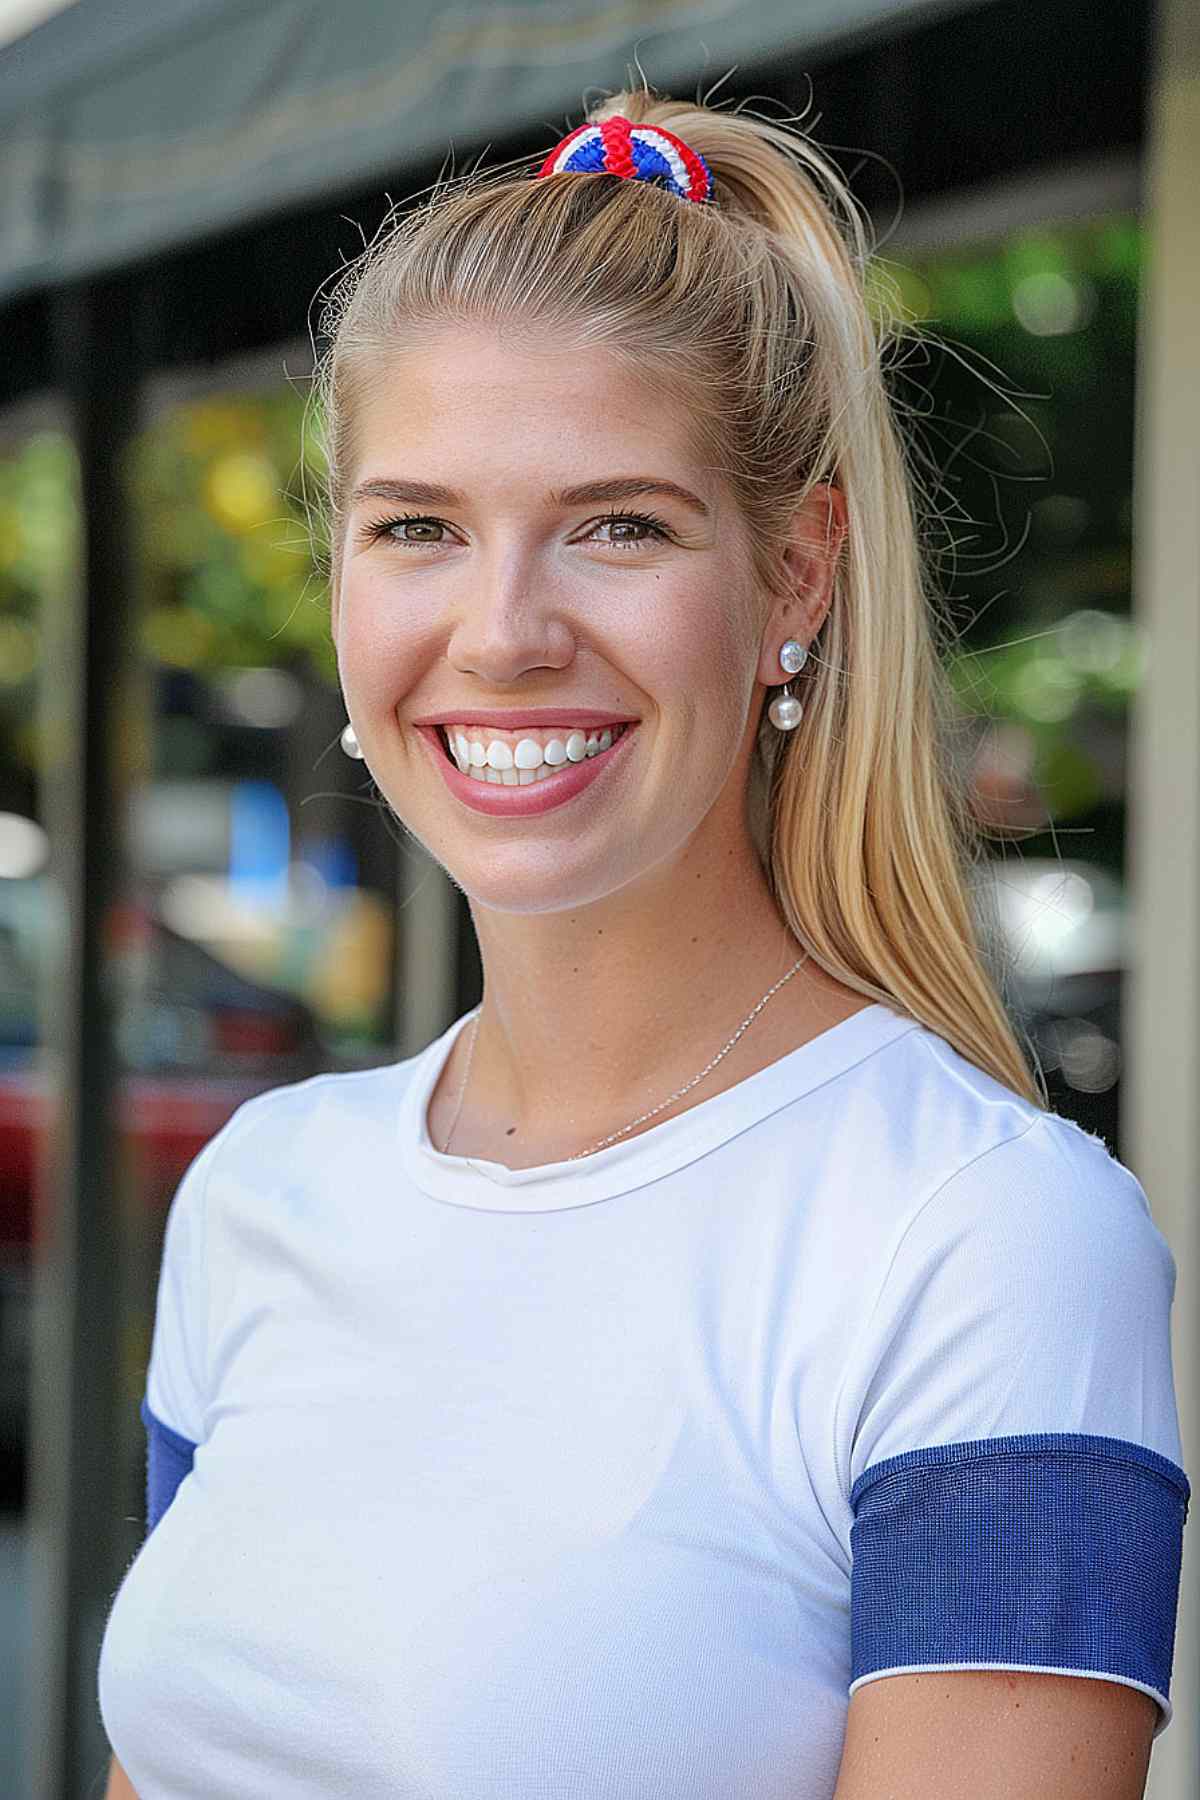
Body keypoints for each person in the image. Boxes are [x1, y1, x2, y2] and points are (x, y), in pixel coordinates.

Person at [99, 91, 1188, 1800]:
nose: (505, 632)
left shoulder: (980, 1235)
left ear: (797, 576)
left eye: (619, 525)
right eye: (417, 527)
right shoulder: (260, 1194)